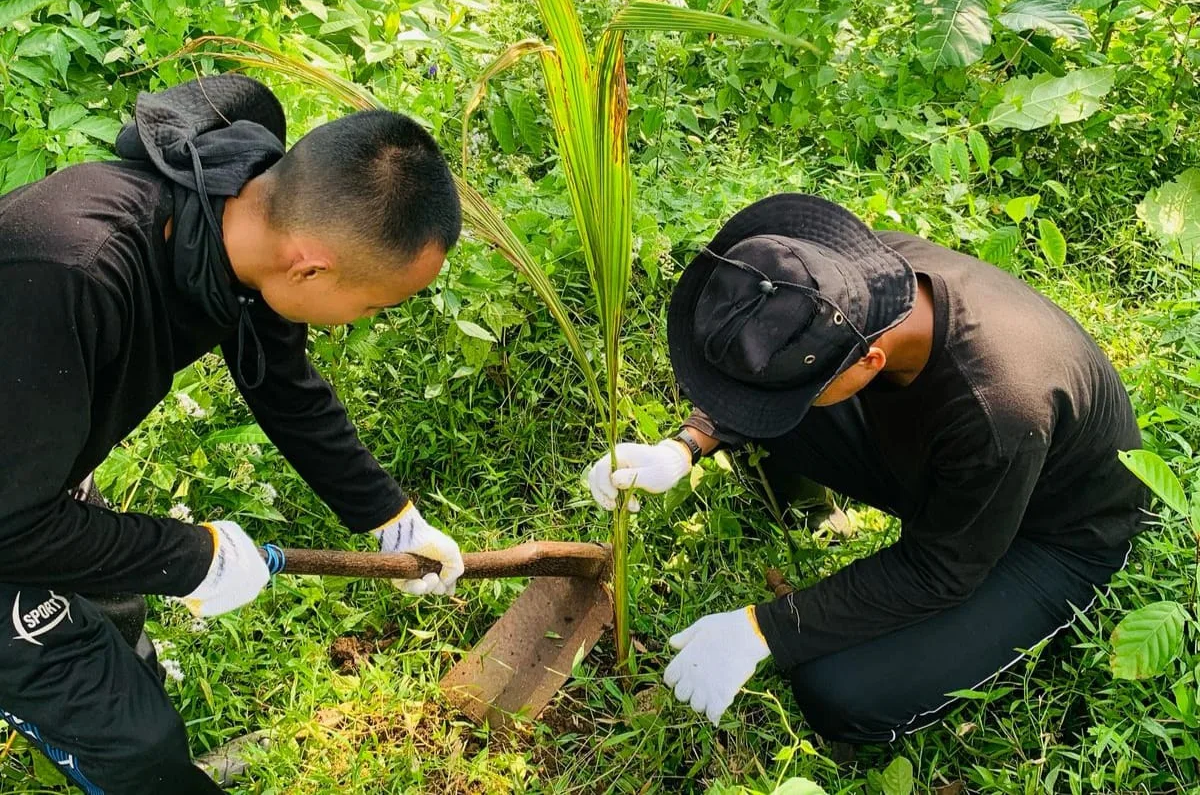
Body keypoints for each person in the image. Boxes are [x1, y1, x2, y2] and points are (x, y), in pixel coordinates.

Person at [0, 75, 467, 793]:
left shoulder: (236, 218)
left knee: (117, 614)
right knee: (133, 745)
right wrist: (192, 556)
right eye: (376, 303)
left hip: (28, 463)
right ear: (312, 265)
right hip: (9, 510)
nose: (371, 318)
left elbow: (280, 382)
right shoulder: (75, 273)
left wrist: (390, 516)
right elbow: (12, 528)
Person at [586, 193, 1147, 742]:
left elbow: (941, 568)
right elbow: (767, 360)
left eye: (783, 395)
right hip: (948, 461)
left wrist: (763, 630)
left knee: (840, 694)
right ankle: (812, 514)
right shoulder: (851, 283)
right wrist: (685, 446)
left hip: (1050, 533)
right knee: (787, 412)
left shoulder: (998, 410)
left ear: (869, 362)